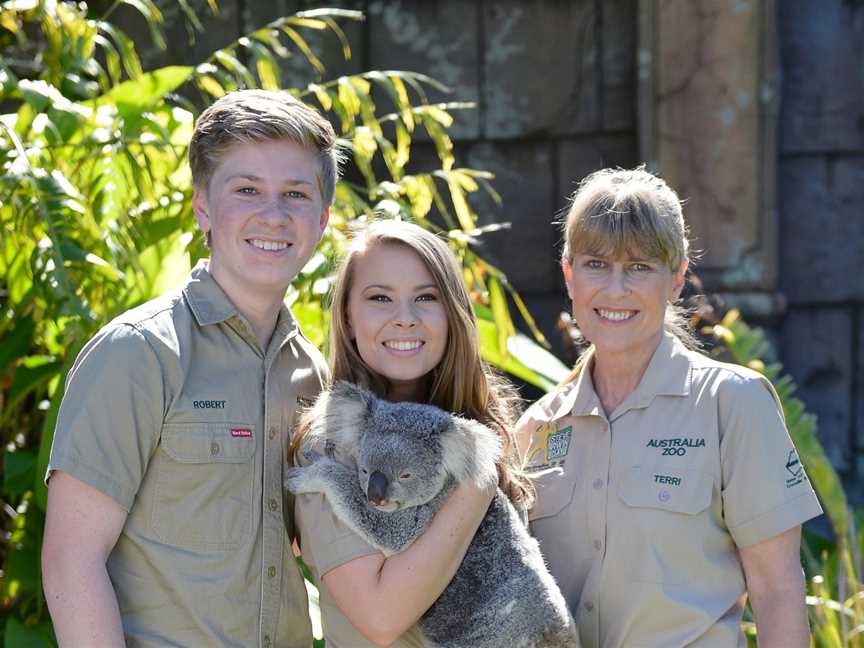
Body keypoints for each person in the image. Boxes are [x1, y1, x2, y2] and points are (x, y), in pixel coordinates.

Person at [41, 89, 340, 647]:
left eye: (295, 194)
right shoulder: (137, 354)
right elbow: (70, 561)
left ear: (322, 219)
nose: (273, 215)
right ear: (203, 205)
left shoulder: (312, 374)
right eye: (247, 189)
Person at [516, 167, 822, 648]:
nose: (616, 289)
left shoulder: (732, 404)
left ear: (677, 279)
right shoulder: (534, 429)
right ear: (569, 275)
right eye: (597, 264)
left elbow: (778, 591)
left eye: (640, 267)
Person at [290, 220, 533, 647]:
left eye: (425, 298)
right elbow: (381, 616)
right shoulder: (331, 448)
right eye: (380, 298)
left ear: (453, 313)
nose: (405, 319)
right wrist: (478, 484)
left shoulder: (479, 424)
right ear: (347, 317)